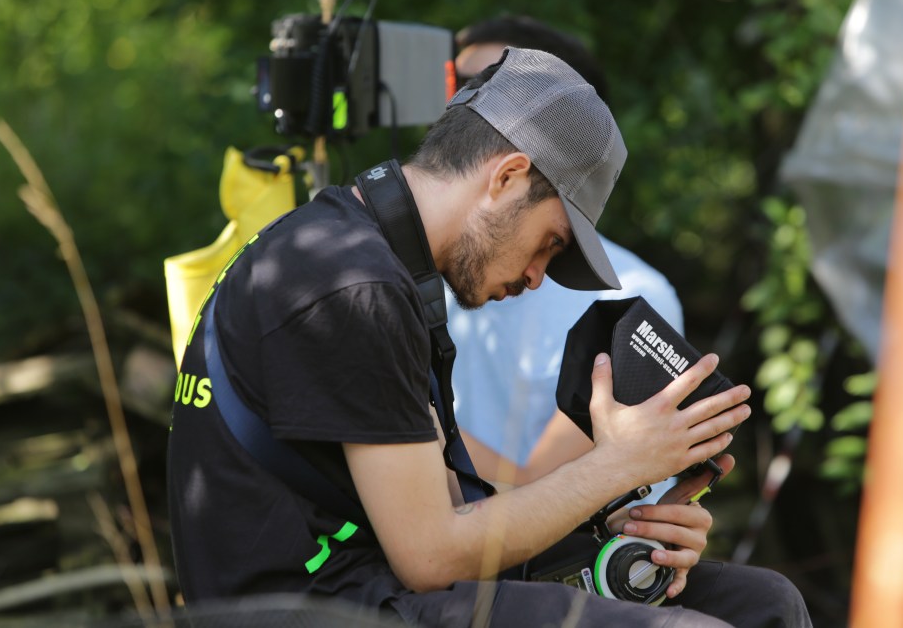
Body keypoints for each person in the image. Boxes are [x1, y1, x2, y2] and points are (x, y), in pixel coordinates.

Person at [168, 47, 810, 626]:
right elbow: (430, 556)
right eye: (550, 243)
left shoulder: (371, 253)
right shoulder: (353, 285)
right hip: (321, 606)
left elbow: (454, 508)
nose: (537, 277)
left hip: (377, 582)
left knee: (762, 604)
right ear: (507, 177)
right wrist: (617, 463)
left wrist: (608, 529)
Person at [448, 16, 685, 494]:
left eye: (480, 87)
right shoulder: (418, 271)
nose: (452, 107)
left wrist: (380, 416)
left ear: (569, 121)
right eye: (455, 84)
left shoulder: (632, 298)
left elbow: (539, 495)